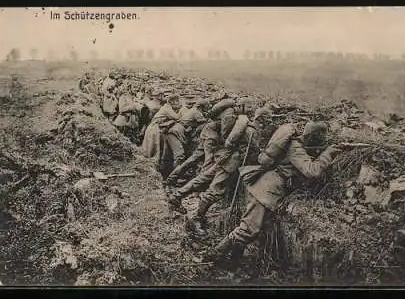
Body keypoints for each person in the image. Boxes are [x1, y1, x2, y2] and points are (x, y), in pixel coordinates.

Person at [201, 121, 342, 264]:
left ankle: (232, 261)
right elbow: (312, 171)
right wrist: (328, 153)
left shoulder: (299, 146)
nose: (322, 141)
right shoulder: (295, 148)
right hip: (265, 190)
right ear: (313, 137)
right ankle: (214, 255)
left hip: (267, 189)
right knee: (249, 229)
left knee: (253, 228)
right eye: (320, 138)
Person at [184, 97, 261, 237]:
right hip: (230, 163)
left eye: (254, 108)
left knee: (206, 178)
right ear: (243, 106)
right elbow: (230, 141)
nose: (252, 110)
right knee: (215, 190)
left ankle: (179, 196)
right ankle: (195, 218)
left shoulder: (244, 122)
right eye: (250, 107)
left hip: (229, 160)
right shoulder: (240, 122)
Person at [142, 93, 187, 179]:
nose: (178, 104)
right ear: (173, 102)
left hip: (155, 128)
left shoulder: (166, 107)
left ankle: (157, 171)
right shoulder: (167, 108)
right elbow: (177, 117)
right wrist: (182, 111)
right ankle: (152, 171)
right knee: (154, 150)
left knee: (157, 150)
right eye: (177, 102)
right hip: (154, 129)